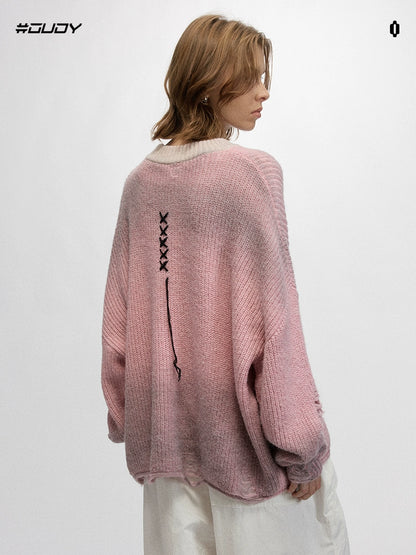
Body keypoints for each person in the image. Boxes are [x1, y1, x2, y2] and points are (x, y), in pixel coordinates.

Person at [101, 13, 351, 554]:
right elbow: (276, 324)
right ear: (211, 83)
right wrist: (302, 447)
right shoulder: (252, 173)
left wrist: (132, 420)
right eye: (252, 77)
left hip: (165, 459)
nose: (265, 92)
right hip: (250, 460)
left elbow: (118, 330)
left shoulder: (139, 184)